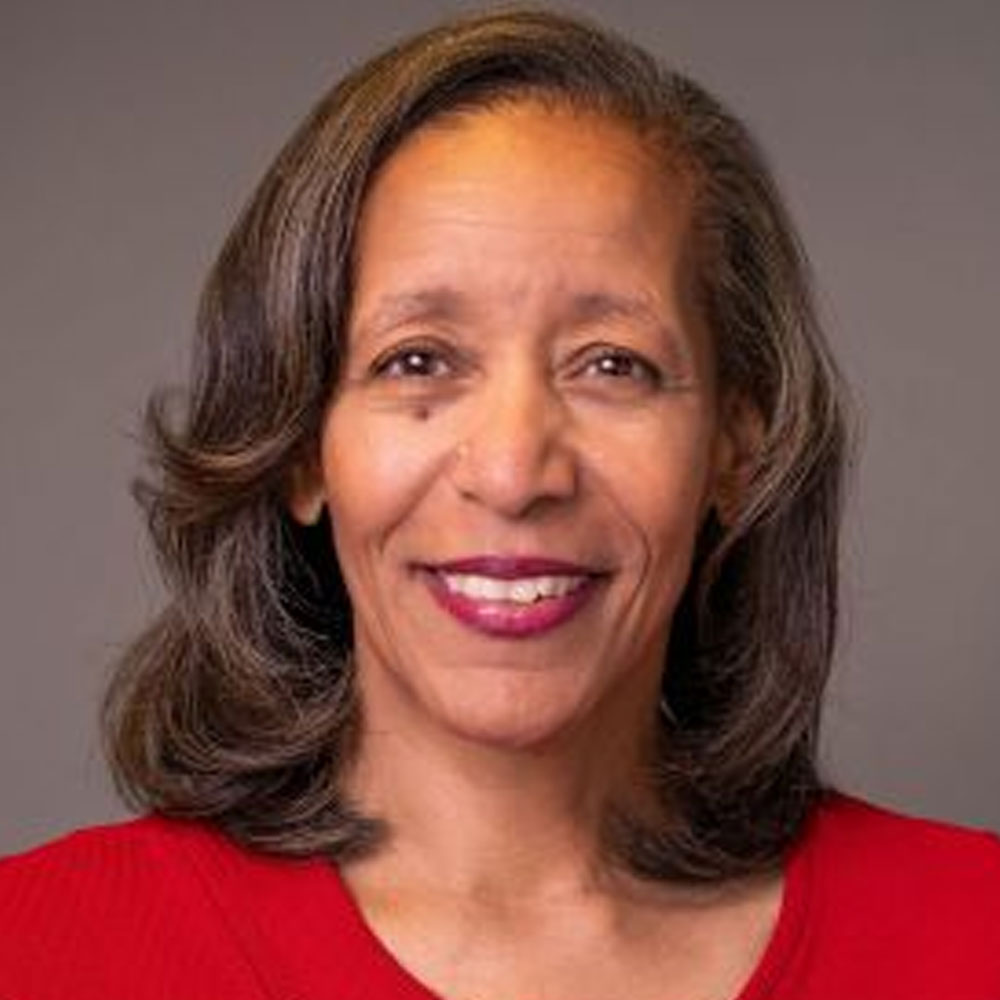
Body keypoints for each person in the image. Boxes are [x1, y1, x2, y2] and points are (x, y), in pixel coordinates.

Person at [1, 7, 998, 999]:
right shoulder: (36, 952)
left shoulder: (974, 933)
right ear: (302, 447)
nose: (516, 472)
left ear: (734, 450)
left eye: (612, 364)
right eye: (417, 361)